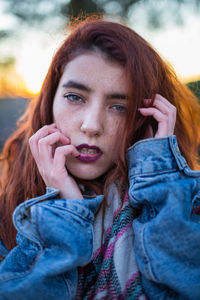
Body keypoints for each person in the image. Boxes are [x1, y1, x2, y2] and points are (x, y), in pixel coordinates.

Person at [0, 18, 200, 300]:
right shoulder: (8, 212)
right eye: (75, 97)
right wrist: (64, 210)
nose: (92, 125)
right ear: (49, 102)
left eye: (119, 107)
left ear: (146, 119)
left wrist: (160, 180)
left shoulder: (182, 202)